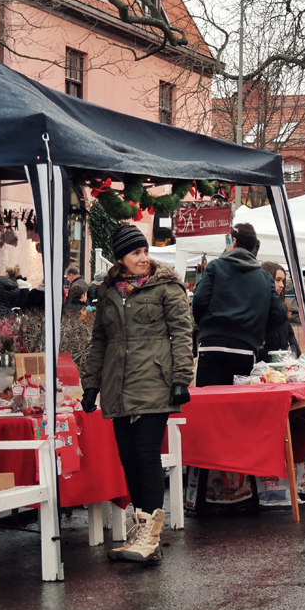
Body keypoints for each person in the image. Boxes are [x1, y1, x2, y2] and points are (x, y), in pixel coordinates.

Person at [81, 223, 194, 562]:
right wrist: (91, 384)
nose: (144, 258)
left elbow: (183, 333)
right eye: (136, 253)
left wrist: (181, 379)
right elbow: (100, 340)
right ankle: (143, 529)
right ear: (121, 259)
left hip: (154, 382)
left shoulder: (166, 287)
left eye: (145, 251)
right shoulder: (109, 292)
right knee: (128, 458)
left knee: (146, 456)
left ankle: (149, 535)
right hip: (118, 385)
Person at [191, 223, 286, 387]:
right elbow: (279, 313)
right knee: (240, 405)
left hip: (212, 346)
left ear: (232, 242)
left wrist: (207, 326)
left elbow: (199, 301)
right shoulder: (264, 277)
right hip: (246, 349)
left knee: (209, 404)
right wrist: (258, 333)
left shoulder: (215, 267)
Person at [260, 260, 301, 359]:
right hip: (263, 364)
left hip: (281, 363)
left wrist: (299, 361)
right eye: (277, 280)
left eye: (283, 281)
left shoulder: (281, 306)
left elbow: (291, 338)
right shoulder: (257, 308)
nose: (282, 285)